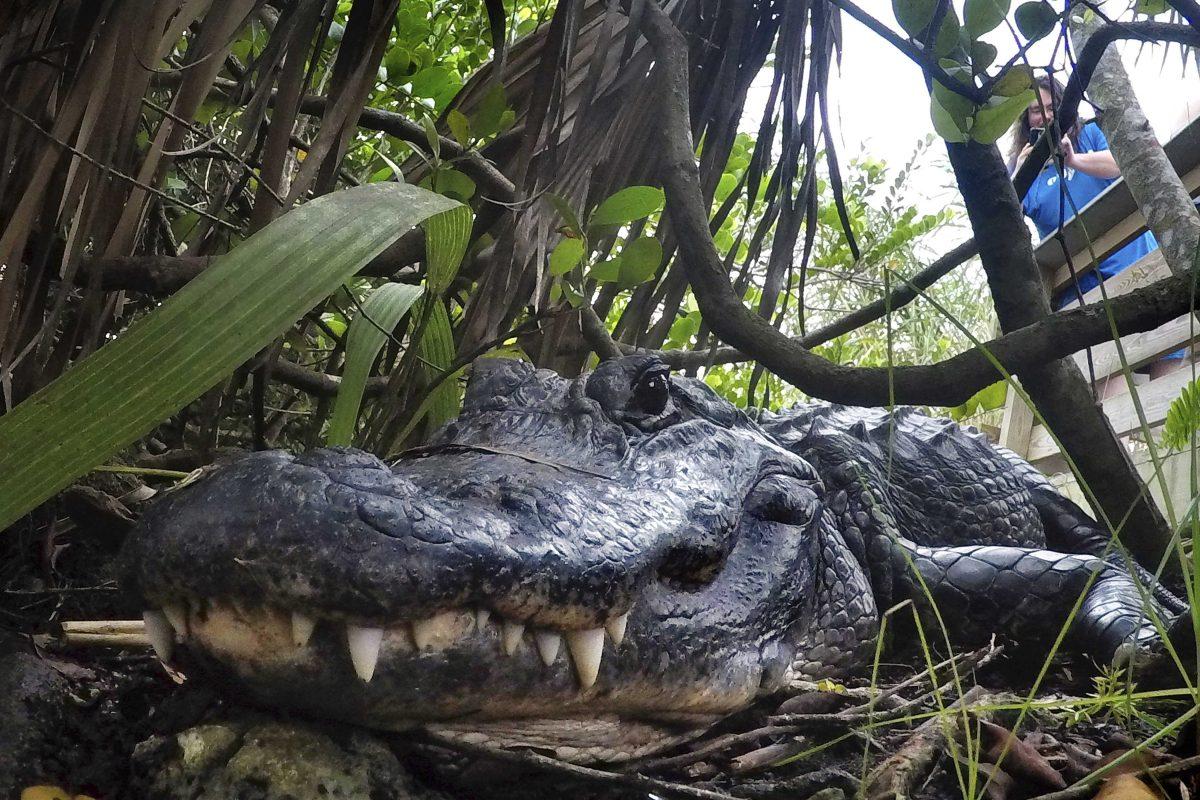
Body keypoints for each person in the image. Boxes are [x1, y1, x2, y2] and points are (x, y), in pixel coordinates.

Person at [1008, 75, 1158, 309]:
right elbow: (1008, 222)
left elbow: (1119, 164)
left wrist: (1074, 160)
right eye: (1036, 110)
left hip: (1133, 257)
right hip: (1078, 283)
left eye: (1051, 107)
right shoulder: (1020, 167)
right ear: (1027, 118)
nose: (1045, 116)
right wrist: (1020, 174)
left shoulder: (1090, 131)